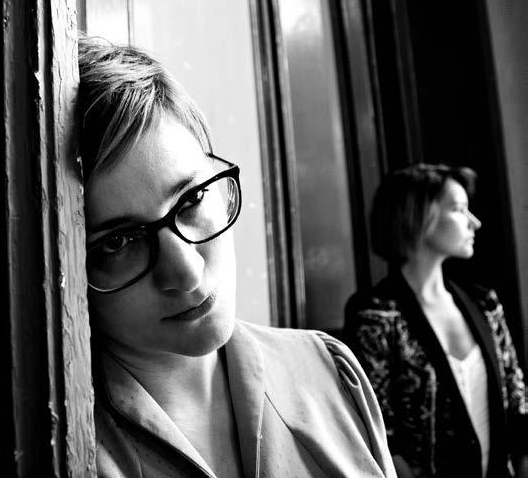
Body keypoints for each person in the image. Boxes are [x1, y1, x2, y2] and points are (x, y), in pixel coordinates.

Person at [76, 36, 397, 478]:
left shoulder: (328, 372)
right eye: (118, 242)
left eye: (191, 199)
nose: (187, 273)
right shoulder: (66, 445)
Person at [344, 164, 528, 478]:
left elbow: (517, 400)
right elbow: (378, 429)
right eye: (458, 209)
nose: (474, 222)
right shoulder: (376, 315)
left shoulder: (484, 304)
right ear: (419, 217)